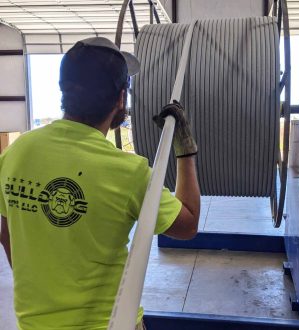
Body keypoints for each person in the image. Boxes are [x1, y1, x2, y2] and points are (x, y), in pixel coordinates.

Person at [0, 37, 200, 330]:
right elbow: (188, 224)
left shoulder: (16, 153)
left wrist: (42, 288)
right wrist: (185, 150)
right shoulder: (128, 172)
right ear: (120, 99)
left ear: (64, 90)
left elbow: (7, 233)